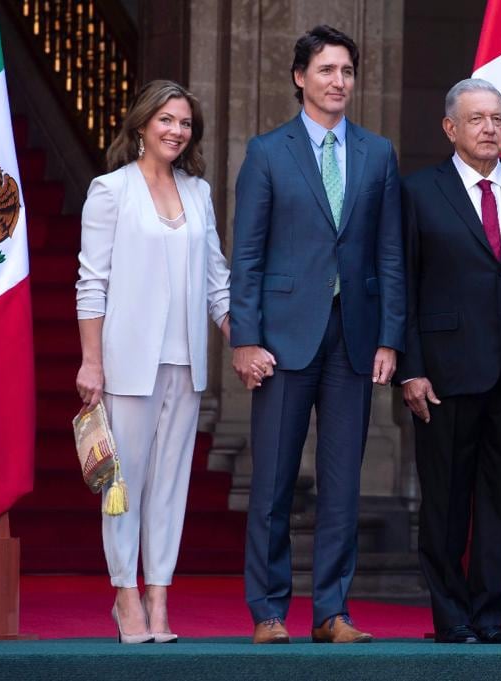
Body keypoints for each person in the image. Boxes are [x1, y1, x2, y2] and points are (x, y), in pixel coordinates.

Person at [229, 25, 406, 644]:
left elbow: (390, 254)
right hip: (281, 339)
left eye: (347, 72)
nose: (338, 82)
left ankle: (332, 611)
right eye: (326, 70)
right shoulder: (267, 152)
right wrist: (244, 339)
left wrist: (389, 338)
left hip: (353, 338)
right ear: (300, 77)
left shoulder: (377, 153)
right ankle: (269, 611)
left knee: (342, 483)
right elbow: (246, 256)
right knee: (274, 479)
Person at [398, 78, 501, 644]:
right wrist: (410, 368)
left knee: (497, 501)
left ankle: (490, 618)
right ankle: (451, 618)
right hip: (442, 373)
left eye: (497, 118)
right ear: (451, 128)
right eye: (476, 119)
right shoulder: (417, 191)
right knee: (444, 503)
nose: (490, 128)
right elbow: (405, 288)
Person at [74, 80, 232, 644]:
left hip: (187, 363)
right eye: (166, 119)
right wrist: (92, 363)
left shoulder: (198, 192)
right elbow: (92, 284)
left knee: (170, 487)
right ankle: (125, 597)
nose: (176, 130)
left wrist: (243, 338)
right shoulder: (110, 190)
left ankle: (159, 597)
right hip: (127, 363)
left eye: (185, 122)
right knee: (125, 485)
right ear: (141, 125)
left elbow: (218, 283)